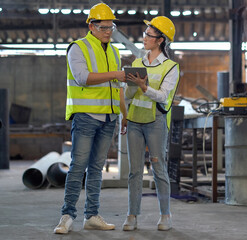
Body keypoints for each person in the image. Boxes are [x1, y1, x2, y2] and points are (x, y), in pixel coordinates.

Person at [54, 3, 127, 234]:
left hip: (109, 118)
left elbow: (118, 86)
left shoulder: (114, 52)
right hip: (86, 116)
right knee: (78, 167)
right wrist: (116, 74)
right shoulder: (78, 48)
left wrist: (124, 114)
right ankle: (66, 216)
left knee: (96, 168)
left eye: (111, 27)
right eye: (103, 27)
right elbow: (82, 78)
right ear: (91, 26)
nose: (108, 31)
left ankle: (92, 215)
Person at [122, 16, 180, 231]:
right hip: (135, 121)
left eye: (149, 35)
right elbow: (129, 95)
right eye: (145, 33)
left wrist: (144, 86)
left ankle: (166, 215)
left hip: (155, 122)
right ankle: (131, 215)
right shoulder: (137, 63)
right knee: (134, 172)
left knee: (158, 169)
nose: (144, 38)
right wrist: (129, 85)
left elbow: (164, 96)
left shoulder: (171, 67)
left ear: (160, 40)